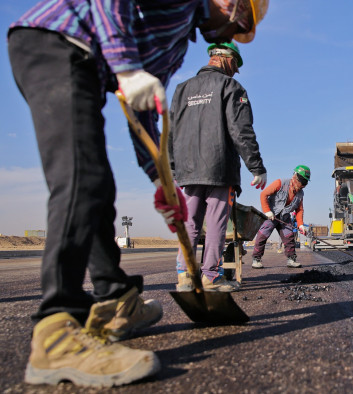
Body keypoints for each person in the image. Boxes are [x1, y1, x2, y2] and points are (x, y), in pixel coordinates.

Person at [7, 0, 268, 387]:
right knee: (83, 180)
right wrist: (127, 68)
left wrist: (160, 179)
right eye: (241, 23)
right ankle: (56, 333)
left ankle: (115, 301)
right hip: (56, 43)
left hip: (88, 66)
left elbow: (142, 106)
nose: (234, 35)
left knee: (98, 187)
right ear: (229, 3)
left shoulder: (179, 41)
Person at [169, 42, 266, 292]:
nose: (236, 71)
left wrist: (172, 166)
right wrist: (256, 166)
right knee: (215, 223)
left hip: (187, 170)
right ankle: (211, 276)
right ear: (227, 59)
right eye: (236, 65)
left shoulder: (181, 89)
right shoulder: (230, 86)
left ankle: (185, 276)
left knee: (189, 222)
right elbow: (241, 130)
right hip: (219, 167)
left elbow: (171, 131)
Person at [251, 166, 310, 269]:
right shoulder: (280, 183)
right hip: (271, 215)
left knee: (289, 237)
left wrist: (300, 225)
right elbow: (263, 194)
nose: (302, 185)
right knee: (263, 235)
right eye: (301, 181)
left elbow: (299, 210)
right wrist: (267, 211)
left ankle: (291, 259)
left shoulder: (300, 193)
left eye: (305, 182)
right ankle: (256, 259)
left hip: (285, 217)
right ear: (295, 177)